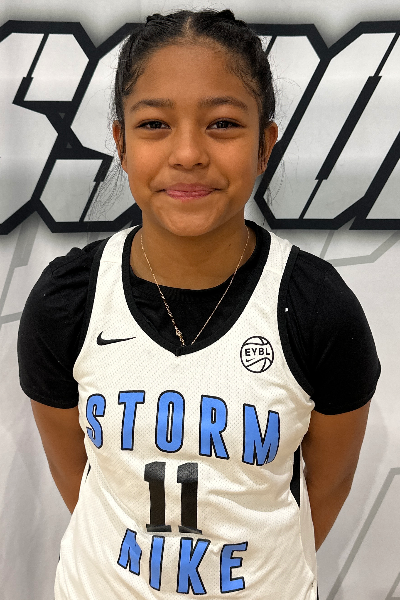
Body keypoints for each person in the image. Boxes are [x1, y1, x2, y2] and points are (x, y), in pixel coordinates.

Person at [17, 9, 380, 600]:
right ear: (121, 143)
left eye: (223, 124)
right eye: (155, 124)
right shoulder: (68, 301)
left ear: (264, 145)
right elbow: (79, 479)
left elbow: (327, 486)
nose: (187, 153)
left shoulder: (317, 308)